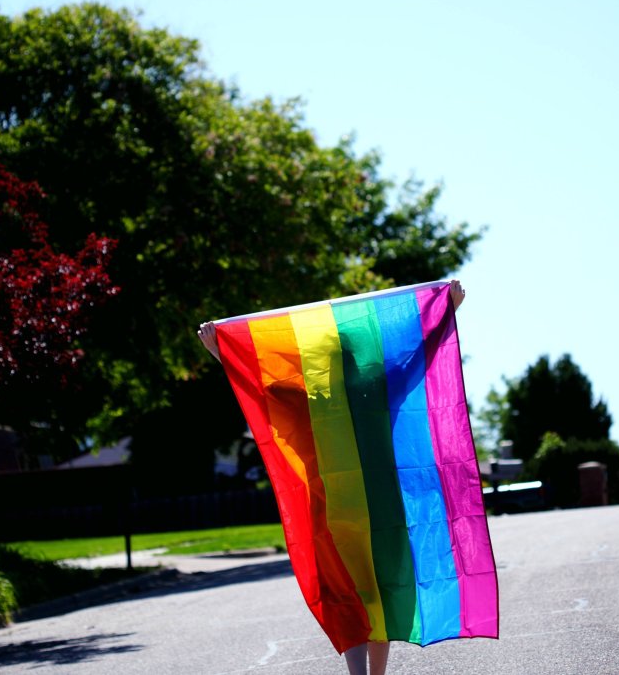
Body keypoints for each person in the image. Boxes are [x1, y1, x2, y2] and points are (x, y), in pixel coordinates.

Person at [197, 279, 466, 675]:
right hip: (376, 508)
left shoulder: (310, 397)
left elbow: (257, 390)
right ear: (361, 359)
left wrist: (220, 351)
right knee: (379, 593)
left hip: (332, 511)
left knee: (349, 595)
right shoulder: (377, 386)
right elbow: (417, 358)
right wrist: (448, 311)